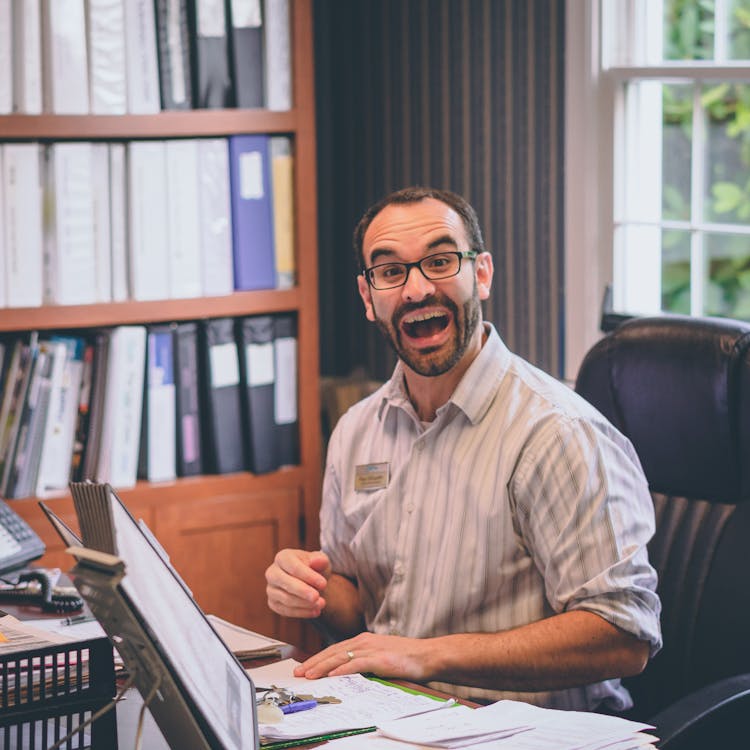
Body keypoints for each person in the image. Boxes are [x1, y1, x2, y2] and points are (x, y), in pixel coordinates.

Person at [265, 186, 661, 711]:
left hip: (530, 736)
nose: (416, 289)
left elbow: (624, 635)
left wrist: (427, 656)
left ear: (481, 274)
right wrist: (312, 592)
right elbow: (358, 608)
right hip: (394, 719)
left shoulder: (557, 434)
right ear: (368, 298)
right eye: (390, 272)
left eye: (440, 260)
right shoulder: (357, 429)